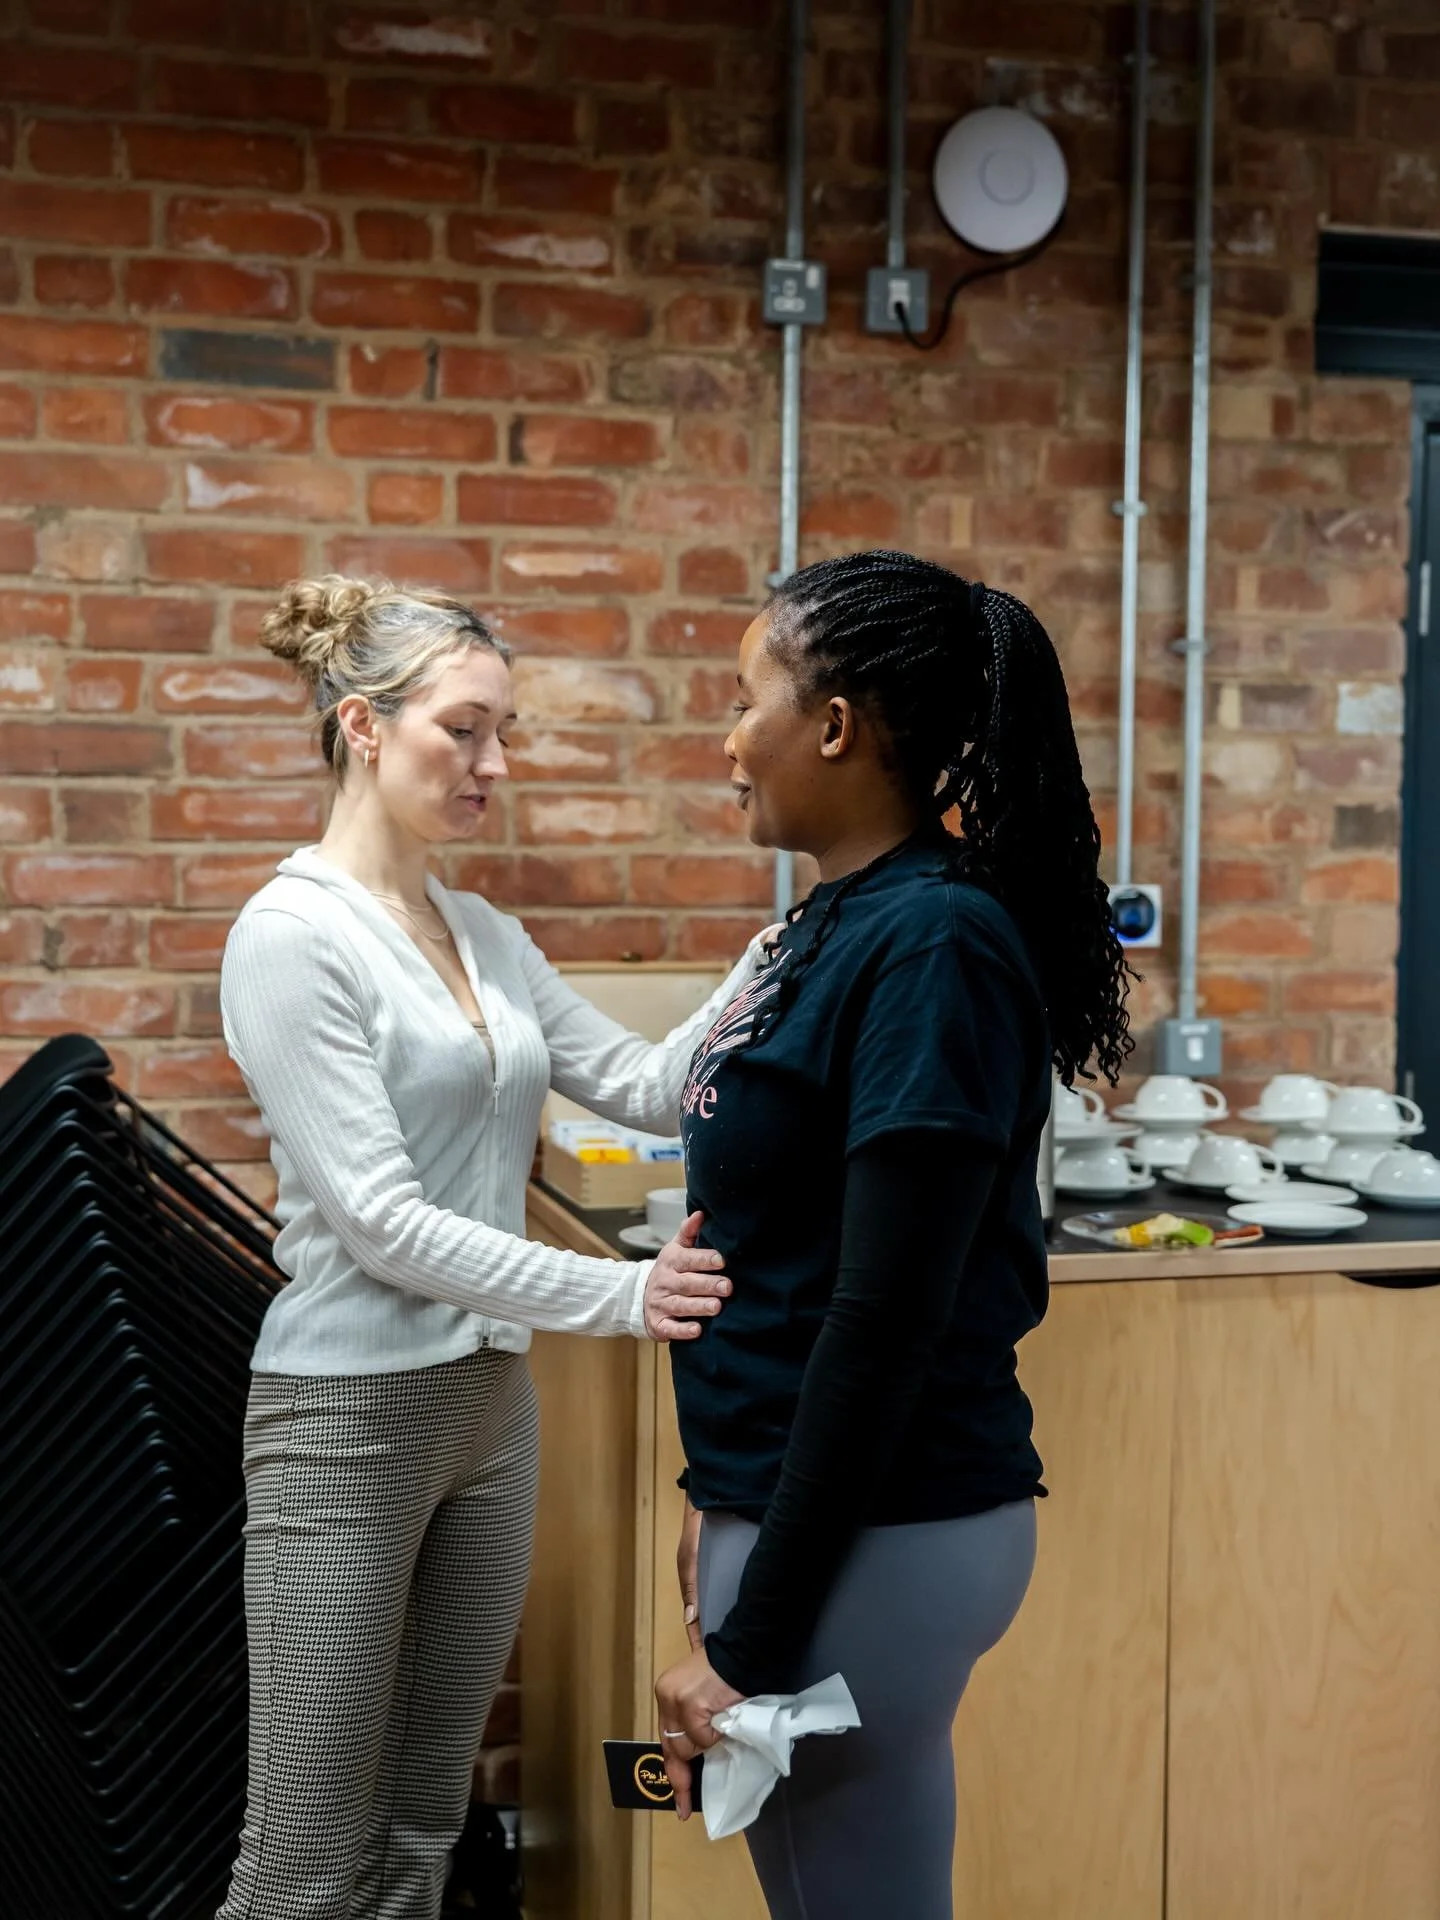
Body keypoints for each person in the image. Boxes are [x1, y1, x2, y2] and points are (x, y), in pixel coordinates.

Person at [215, 575, 765, 1920]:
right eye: (463, 730)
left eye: (502, 733)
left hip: (488, 1411)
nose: (494, 764)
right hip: (347, 1419)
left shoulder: (483, 934)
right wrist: (625, 1293)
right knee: (303, 1862)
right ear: (363, 725)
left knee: (421, 1827)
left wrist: (785, 944)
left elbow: (644, 1086)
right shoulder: (290, 937)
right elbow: (384, 1224)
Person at [655, 550, 1133, 1920]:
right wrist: (716, 1496)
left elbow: (882, 1320)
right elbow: (783, 1245)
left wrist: (753, 1634)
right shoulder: (840, 920)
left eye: (744, 699)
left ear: (832, 725)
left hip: (885, 1525)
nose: (727, 739)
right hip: (806, 1508)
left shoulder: (934, 945)